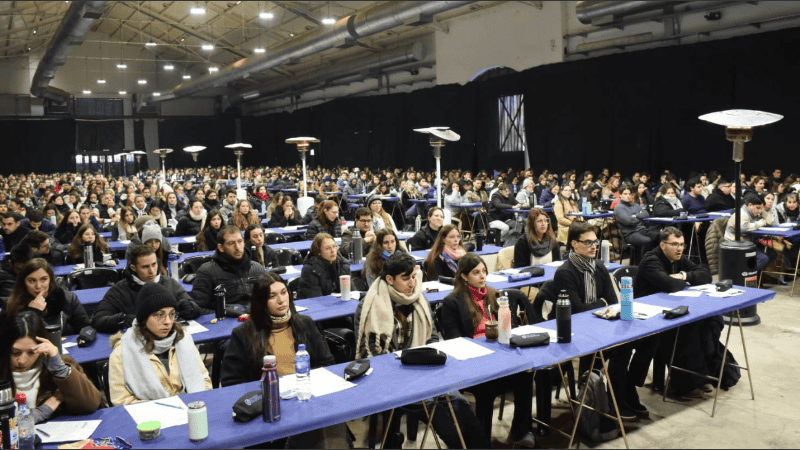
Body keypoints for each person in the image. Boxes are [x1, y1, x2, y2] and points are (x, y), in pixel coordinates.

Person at [355, 253, 490, 449]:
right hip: (389, 379)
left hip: (423, 372)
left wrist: (426, 363)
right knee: (447, 418)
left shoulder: (419, 300)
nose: (412, 284)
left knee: (462, 406)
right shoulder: (369, 306)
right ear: (389, 279)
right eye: (405, 278)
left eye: (413, 277)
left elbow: (433, 338)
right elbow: (368, 353)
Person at [220, 272, 347, 447]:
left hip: (305, 398)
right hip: (269, 406)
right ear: (261, 302)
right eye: (272, 296)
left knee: (333, 422)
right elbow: (230, 382)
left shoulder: (305, 324)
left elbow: (326, 362)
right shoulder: (243, 334)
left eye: (284, 292)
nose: (281, 300)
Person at [440, 254, 536, 447]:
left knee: (525, 374)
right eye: (476, 272)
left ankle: (520, 431)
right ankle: (482, 442)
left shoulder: (493, 294)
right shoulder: (452, 302)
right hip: (473, 364)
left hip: (498, 356)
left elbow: (508, 327)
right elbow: (454, 342)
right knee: (486, 387)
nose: (482, 276)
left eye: (484, 271)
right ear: (464, 276)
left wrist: (507, 321)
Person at [553, 221, 642, 419]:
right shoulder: (565, 272)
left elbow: (612, 302)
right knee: (616, 349)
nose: (594, 246)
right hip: (571, 330)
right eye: (588, 242)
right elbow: (576, 312)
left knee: (631, 342)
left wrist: (600, 305)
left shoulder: (599, 266)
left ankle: (622, 394)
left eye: (596, 241)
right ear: (574, 244)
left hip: (599, 324)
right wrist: (601, 304)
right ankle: (608, 400)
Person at [634, 227, 716, 398]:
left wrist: (682, 276)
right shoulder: (651, 260)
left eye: (682, 245)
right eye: (674, 244)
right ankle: (683, 385)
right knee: (686, 328)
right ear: (663, 245)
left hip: (669, 309)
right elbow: (669, 285)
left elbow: (706, 275)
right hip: (647, 315)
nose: (679, 249)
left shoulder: (677, 258)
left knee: (712, 321)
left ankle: (701, 375)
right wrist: (682, 280)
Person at [108, 282, 212, 405]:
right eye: (159, 315)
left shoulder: (183, 341)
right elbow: (121, 401)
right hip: (150, 420)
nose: (168, 322)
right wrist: (168, 411)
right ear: (144, 318)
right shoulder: (122, 353)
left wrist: (196, 408)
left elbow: (204, 381)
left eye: (172, 314)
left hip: (192, 409)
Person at [0, 311, 102, 424]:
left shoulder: (59, 364)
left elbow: (91, 406)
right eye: (15, 353)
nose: (22, 361)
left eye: (31, 352)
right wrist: (42, 411)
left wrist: (60, 370)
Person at [93, 246, 201, 333]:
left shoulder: (169, 283)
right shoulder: (119, 290)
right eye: (145, 267)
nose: (152, 271)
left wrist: (189, 308)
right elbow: (98, 320)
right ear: (133, 268)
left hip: (169, 340)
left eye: (154, 264)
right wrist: (122, 320)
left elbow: (196, 309)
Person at [5, 258, 92, 335]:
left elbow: (86, 328)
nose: (38, 286)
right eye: (32, 281)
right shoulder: (13, 304)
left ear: (50, 280)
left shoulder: (67, 298)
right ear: (23, 283)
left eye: (43, 279)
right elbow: (11, 340)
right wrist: (33, 312)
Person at [191, 225, 265, 314]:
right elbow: (198, 309)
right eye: (231, 243)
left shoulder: (257, 269)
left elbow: (267, 300)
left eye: (240, 241)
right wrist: (227, 312)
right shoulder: (207, 271)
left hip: (253, 319)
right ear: (221, 247)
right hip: (223, 322)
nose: (237, 247)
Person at [724, 194, 776, 271]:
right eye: (758, 208)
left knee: (772, 254)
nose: (759, 211)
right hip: (736, 244)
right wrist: (759, 223)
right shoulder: (742, 213)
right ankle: (745, 275)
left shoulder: (751, 213)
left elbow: (768, 222)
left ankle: (757, 279)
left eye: (761, 208)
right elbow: (743, 228)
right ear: (750, 205)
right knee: (763, 258)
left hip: (747, 243)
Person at [297, 233, 351, 299]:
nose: (333, 251)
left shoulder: (343, 264)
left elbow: (352, 292)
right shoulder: (310, 269)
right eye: (327, 248)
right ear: (318, 252)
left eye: (334, 246)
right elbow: (316, 300)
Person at [614, 184, 660, 260]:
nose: (628, 196)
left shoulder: (635, 205)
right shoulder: (619, 208)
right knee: (648, 241)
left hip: (642, 230)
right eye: (625, 194)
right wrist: (639, 216)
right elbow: (629, 221)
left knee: (659, 237)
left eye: (629, 194)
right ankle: (643, 263)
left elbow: (646, 213)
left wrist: (635, 216)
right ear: (620, 195)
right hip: (630, 234)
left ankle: (654, 261)